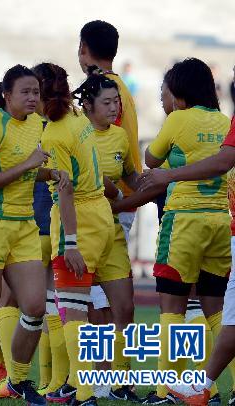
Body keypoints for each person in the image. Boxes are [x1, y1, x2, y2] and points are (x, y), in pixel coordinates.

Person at [0, 64, 66, 405]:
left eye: (36, 92)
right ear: (6, 95)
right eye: (26, 92)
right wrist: (31, 164)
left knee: (35, 306)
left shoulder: (37, 124)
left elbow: (25, 174)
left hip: (23, 227)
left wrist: (50, 173)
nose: (34, 98)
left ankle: (19, 380)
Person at [133, 58, 232, 406]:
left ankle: (168, 391)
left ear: (179, 93)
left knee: (172, 310)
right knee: (219, 311)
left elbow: (151, 160)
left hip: (184, 222)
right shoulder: (225, 121)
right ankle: (215, 388)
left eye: (168, 91)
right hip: (220, 222)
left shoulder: (177, 119)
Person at [37, 62, 115, 406]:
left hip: (78, 220)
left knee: (73, 312)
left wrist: (69, 242)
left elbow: (65, 188)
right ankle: (73, 384)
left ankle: (83, 393)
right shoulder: (78, 120)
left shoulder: (54, 133)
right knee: (82, 307)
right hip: (99, 214)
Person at [72, 72, 140, 402]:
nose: (115, 108)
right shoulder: (74, 135)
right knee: (83, 312)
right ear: (87, 105)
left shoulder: (120, 139)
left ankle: (119, 381)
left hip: (111, 233)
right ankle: (79, 380)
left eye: (117, 102)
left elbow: (130, 177)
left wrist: (152, 186)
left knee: (124, 309)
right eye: (107, 102)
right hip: (80, 233)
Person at [78, 20, 141, 239]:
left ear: (83, 48)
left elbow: (103, 143)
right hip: (122, 194)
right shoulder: (119, 86)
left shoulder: (101, 89)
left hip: (111, 197)